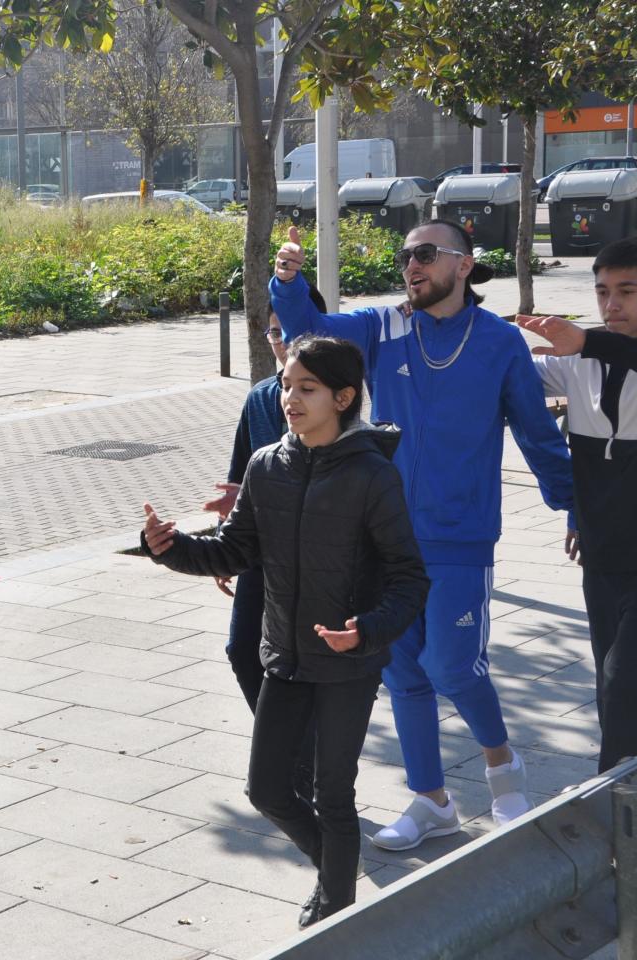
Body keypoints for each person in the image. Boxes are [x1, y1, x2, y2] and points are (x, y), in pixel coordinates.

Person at [271, 221, 575, 851]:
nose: (411, 265)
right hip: (384, 537)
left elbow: (537, 435)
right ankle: (431, 801)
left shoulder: (499, 343)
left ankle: (504, 776)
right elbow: (309, 338)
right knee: (403, 671)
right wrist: (288, 281)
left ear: (463, 265)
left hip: (461, 535)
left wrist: (576, 507)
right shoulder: (385, 328)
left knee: (452, 665)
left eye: (426, 255)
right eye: (406, 255)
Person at [141, 335, 429, 928]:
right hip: (284, 657)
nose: (289, 399)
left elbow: (409, 577)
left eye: (306, 388)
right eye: (286, 386)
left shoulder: (372, 476)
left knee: (333, 794)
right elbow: (234, 551)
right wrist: (170, 550)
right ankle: (337, 875)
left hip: (347, 663)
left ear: (343, 397)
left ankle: (337, 911)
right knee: (268, 790)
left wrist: (367, 631)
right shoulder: (266, 464)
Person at [515, 236, 637, 773]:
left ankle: (618, 802)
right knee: (610, 681)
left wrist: (587, 343)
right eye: (602, 292)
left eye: (627, 291)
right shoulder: (580, 360)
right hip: (601, 552)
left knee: (630, 680)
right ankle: (621, 788)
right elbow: (511, 371)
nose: (611, 305)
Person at [212, 315, 292, 711]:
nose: (282, 340)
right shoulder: (259, 397)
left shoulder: (340, 396)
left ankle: (298, 756)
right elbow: (237, 473)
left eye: (291, 328)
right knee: (242, 651)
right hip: (260, 547)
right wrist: (225, 542)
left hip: (316, 553)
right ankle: (279, 752)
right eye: (275, 332)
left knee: (305, 666)